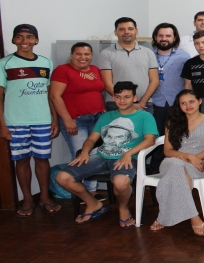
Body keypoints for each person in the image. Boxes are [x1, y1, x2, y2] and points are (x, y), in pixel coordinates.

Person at [56, 82, 158, 227]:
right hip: (101, 156)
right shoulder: (106, 116)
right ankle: (93, 203)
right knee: (62, 177)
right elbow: (92, 138)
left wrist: (128, 154)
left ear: (134, 98)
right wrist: (84, 152)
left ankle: (123, 207)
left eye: (126, 97)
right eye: (118, 97)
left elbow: (150, 140)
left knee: (120, 183)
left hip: (128, 158)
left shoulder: (144, 116)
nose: (122, 101)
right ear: (114, 98)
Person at [0, 24, 61, 216]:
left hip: (42, 120)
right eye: (19, 37)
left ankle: (43, 197)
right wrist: (2, 125)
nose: (24, 41)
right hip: (15, 122)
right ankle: (27, 199)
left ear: (36, 40)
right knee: (22, 160)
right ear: (13, 40)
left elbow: (52, 95)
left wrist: (55, 119)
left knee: (43, 159)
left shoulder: (45, 63)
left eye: (29, 37)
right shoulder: (5, 63)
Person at [149, 90, 204, 235]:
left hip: (200, 163)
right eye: (183, 103)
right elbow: (168, 151)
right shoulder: (172, 122)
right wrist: (189, 156)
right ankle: (194, 217)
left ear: (199, 101)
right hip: (172, 161)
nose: (188, 105)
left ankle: (162, 216)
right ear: (179, 105)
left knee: (177, 172)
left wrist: (196, 158)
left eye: (191, 101)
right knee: (176, 165)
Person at [50, 42, 105, 201]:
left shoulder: (95, 70)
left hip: (97, 118)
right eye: (79, 54)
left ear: (92, 56)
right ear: (71, 55)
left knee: (94, 155)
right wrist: (67, 120)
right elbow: (55, 96)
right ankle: (83, 193)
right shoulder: (62, 70)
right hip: (76, 121)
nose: (83, 57)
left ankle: (92, 191)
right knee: (81, 155)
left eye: (86, 54)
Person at [98, 17, 159, 113]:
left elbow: (155, 81)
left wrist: (142, 102)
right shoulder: (106, 53)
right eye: (121, 29)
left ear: (136, 31)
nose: (126, 32)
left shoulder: (148, 52)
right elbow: (107, 83)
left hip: (144, 104)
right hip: (116, 104)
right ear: (115, 32)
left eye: (130, 29)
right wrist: (129, 103)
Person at [151, 23, 191, 135]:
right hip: (154, 103)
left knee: (177, 136)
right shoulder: (147, 55)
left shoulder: (184, 56)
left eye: (168, 36)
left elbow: (188, 81)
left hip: (177, 103)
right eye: (160, 36)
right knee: (156, 137)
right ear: (155, 37)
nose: (164, 39)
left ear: (174, 38)